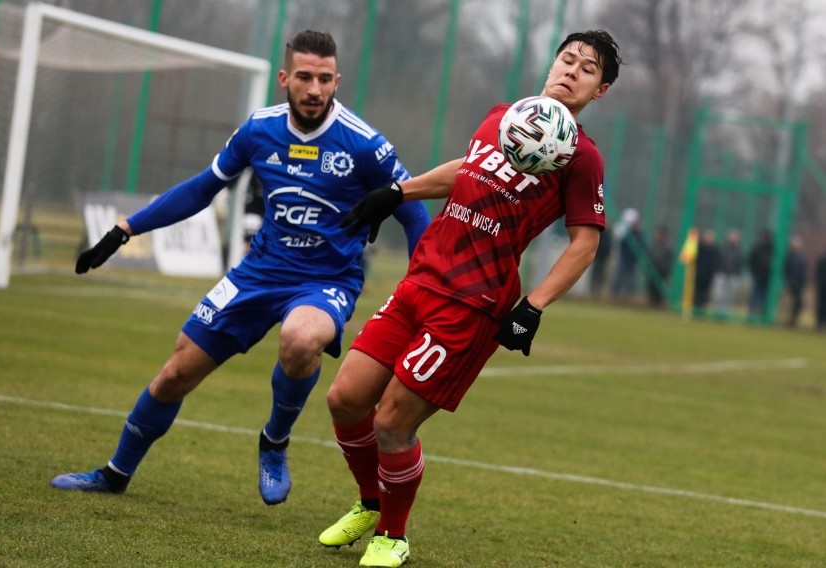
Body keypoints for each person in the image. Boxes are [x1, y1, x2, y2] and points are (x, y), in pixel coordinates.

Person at [49, 30, 430, 506]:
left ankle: (274, 441)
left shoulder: (364, 143)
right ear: (285, 78)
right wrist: (128, 227)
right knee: (175, 373)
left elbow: (413, 211)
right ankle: (115, 472)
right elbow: (201, 189)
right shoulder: (257, 130)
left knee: (300, 339)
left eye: (326, 79)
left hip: (325, 280)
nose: (315, 89)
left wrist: (422, 284)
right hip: (257, 273)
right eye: (306, 77)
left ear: (338, 80)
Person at [317, 30, 621, 567]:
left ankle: (393, 534)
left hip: (472, 305)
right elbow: (469, 167)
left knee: (392, 421)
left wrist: (534, 306)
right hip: (421, 281)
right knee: (345, 398)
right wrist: (397, 191)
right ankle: (369, 502)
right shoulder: (504, 117)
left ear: (600, 90)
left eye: (587, 69)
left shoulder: (582, 157)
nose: (570, 71)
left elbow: (586, 243)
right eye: (566, 59)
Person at [610, 208, 644, 299]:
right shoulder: (625, 233)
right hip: (623, 259)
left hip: (632, 261)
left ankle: (627, 296)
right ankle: (614, 295)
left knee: (631, 280)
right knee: (619, 278)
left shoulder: (639, 234)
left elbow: (642, 245)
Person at [711, 228, 744, 318]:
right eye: (732, 237)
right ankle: (718, 313)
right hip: (721, 274)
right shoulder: (722, 248)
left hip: (733, 276)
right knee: (718, 295)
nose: (733, 239)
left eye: (735, 237)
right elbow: (717, 261)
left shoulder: (739, 251)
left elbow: (740, 264)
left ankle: (725, 314)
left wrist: (737, 274)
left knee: (730, 296)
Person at [645, 225, 674, 308]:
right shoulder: (652, 246)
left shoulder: (667, 248)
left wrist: (662, 270)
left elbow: (668, 262)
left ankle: (657, 306)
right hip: (651, 273)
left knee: (659, 293)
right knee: (650, 292)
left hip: (661, 274)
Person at [748, 229, 773, 320]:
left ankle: (762, 316)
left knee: (766, 298)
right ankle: (752, 315)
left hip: (768, 278)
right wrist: (754, 273)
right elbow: (751, 261)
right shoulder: (757, 248)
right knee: (755, 296)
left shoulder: (772, 249)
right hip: (758, 276)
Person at [783, 235, 807, 327]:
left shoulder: (801, 257)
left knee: (798, 303)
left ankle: (793, 320)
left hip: (799, 284)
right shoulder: (789, 256)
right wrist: (789, 281)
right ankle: (788, 321)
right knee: (789, 302)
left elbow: (803, 271)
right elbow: (786, 270)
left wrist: (803, 281)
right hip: (791, 283)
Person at [693, 229, 718, 312]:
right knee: (697, 292)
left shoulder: (714, 250)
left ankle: (702, 309)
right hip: (699, 274)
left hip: (708, 276)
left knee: (705, 294)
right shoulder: (700, 248)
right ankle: (695, 308)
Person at [816, 248, 826, 331]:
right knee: (821, 305)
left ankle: (822, 323)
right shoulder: (822, 260)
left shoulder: (821, 259)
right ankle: (820, 323)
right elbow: (818, 273)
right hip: (822, 286)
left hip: (821, 285)